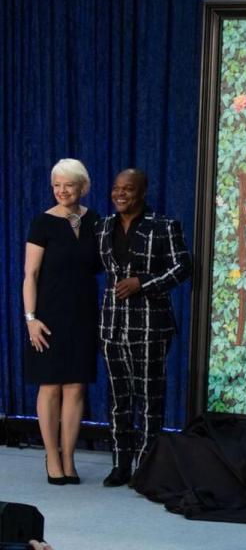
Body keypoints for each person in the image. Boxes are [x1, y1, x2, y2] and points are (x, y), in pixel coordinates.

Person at [97, 169, 191, 486]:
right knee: (118, 399)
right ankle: (120, 464)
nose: (120, 194)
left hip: (151, 326)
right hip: (112, 327)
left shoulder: (164, 226)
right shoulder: (104, 226)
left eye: (128, 189)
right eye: (116, 188)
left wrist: (144, 283)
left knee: (150, 399)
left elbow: (183, 266)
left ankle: (146, 467)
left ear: (143, 192)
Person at [23, 159, 101, 485]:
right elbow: (30, 274)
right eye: (56, 185)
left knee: (76, 386)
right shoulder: (42, 222)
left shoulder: (96, 220)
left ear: (82, 186)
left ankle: (69, 457)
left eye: (68, 184)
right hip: (48, 316)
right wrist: (31, 319)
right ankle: (51, 456)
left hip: (83, 314)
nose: (61, 190)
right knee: (51, 385)